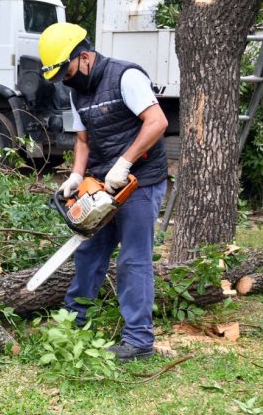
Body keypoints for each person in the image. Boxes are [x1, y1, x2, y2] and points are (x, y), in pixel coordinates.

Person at [38, 22, 168, 362]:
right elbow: (83, 139)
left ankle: (139, 340)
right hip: (101, 183)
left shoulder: (126, 77)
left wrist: (124, 163)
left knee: (133, 259)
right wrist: (77, 175)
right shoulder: (75, 90)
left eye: (65, 71)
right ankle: (72, 322)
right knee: (88, 251)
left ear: (83, 57)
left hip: (140, 181)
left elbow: (157, 122)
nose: (64, 79)